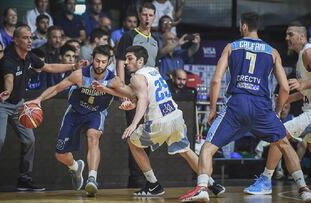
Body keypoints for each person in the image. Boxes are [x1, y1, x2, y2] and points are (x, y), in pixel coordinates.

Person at [179, 13, 311, 202]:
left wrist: (212, 109)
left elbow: (216, 80)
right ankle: (304, 189)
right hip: (261, 107)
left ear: (243, 26)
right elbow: (284, 88)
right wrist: (276, 112)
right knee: (284, 144)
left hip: (237, 105)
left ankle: (202, 189)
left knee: (207, 148)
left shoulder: (231, 47)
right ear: (257, 27)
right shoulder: (272, 51)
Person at [93, 45, 225, 197]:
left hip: (159, 121)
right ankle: (212, 184)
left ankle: (153, 184)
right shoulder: (152, 71)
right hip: (175, 116)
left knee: (131, 140)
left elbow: (142, 98)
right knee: (186, 151)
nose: (125, 62)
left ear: (140, 61)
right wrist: (106, 90)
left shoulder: (136, 77)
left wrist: (134, 123)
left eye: (130, 59)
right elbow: (133, 93)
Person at [0, 24, 85, 193]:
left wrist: (73, 66)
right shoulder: (8, 59)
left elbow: (48, 67)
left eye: (30, 37)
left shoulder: (29, 56)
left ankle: (24, 180)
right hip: (1, 104)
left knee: (30, 140)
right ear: (15, 40)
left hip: (19, 104)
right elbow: (9, 78)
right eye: (25, 38)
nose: (29, 41)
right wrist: (8, 91)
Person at [245, 22, 311, 196]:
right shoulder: (302, 56)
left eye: (290, 34)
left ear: (301, 36)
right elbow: (308, 90)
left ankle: (265, 180)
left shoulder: (309, 52)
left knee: (279, 133)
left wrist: (302, 83)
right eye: (286, 34)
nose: (287, 38)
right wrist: (289, 99)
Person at [26, 45, 114, 196]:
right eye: (97, 61)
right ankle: (75, 167)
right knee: (60, 154)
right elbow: (57, 88)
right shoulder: (80, 75)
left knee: (93, 136)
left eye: (103, 62)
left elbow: (128, 91)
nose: (99, 65)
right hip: (75, 111)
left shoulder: (113, 80)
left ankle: (92, 179)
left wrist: (130, 99)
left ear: (109, 62)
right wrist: (39, 99)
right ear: (92, 59)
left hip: (96, 112)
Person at [115, 2, 159, 188]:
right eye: (145, 15)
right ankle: (136, 180)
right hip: (133, 93)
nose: (147, 18)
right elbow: (120, 62)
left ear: (154, 17)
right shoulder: (129, 36)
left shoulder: (156, 40)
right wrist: (122, 91)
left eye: (151, 15)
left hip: (150, 95)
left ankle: (147, 179)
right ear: (139, 16)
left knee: (147, 137)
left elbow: (156, 66)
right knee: (134, 136)